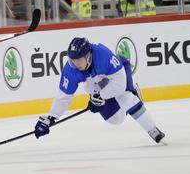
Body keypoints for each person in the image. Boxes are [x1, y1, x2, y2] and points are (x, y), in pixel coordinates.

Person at [34, 37, 165, 144]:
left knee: (125, 97)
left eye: (78, 60)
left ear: (88, 56)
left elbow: (119, 85)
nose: (75, 64)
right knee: (115, 120)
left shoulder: (104, 56)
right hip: (96, 83)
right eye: (72, 60)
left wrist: (101, 96)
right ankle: (129, 102)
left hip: (117, 76)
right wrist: (51, 118)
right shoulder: (71, 69)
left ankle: (152, 129)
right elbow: (64, 96)